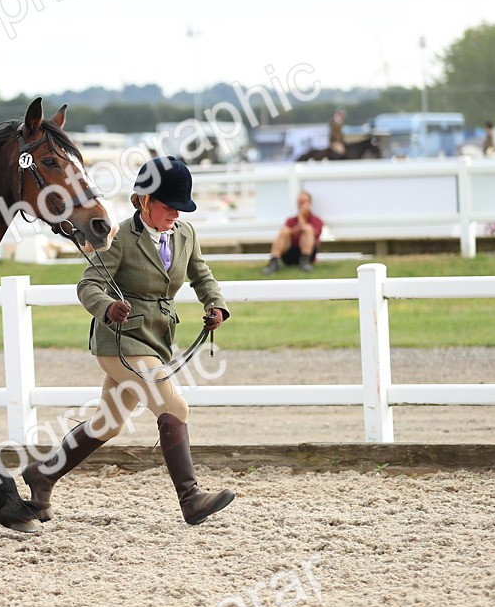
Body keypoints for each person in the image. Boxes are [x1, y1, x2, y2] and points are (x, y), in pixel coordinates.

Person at [22, 156, 235, 525]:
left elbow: (202, 274)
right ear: (145, 201)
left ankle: (43, 475)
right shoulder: (118, 237)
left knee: (108, 423)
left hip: (155, 341)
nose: (176, 215)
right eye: (169, 206)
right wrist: (107, 308)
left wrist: (215, 304)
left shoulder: (185, 234)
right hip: (119, 342)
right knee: (174, 407)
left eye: (180, 208)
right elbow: (88, 284)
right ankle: (191, 498)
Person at [262, 191, 323, 274]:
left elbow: (315, 235)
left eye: (303, 202)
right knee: (284, 231)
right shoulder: (290, 220)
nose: (301, 205)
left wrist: (301, 217)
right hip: (290, 253)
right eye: (299, 202)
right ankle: (274, 261)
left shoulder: (316, 220)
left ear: (309, 203)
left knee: (308, 229)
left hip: (308, 253)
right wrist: (295, 230)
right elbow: (285, 234)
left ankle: (305, 261)